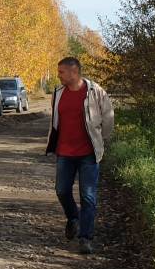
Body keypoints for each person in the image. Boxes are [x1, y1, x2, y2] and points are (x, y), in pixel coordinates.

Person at [46, 56, 114, 254]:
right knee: (61, 190)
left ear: (74, 72)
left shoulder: (95, 92)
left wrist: (100, 140)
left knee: (88, 196)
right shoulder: (58, 93)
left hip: (88, 153)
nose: (58, 76)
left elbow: (109, 118)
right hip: (65, 152)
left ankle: (85, 238)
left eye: (61, 72)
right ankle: (73, 218)